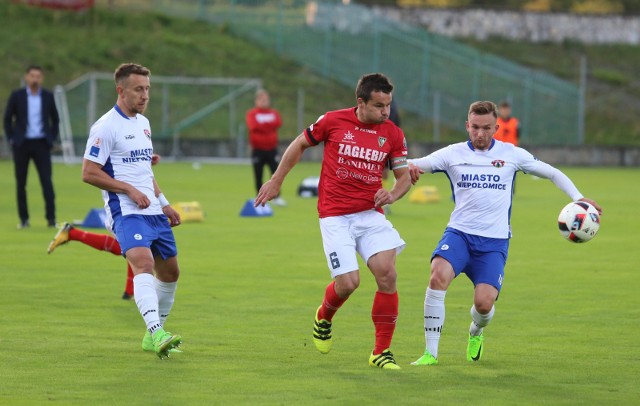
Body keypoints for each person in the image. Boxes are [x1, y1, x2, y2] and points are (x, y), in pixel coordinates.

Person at [407, 101, 602, 366]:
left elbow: (552, 173)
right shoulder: (451, 154)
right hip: (459, 235)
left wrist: (579, 198)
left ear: (496, 127)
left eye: (487, 128)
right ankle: (431, 353)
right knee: (437, 275)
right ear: (467, 126)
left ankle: (476, 331)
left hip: (494, 242)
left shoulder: (512, 154)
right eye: (475, 127)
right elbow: (414, 163)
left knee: (484, 305)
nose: (480, 134)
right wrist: (407, 166)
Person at [255, 73, 411, 369]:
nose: (386, 112)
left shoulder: (393, 133)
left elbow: (404, 178)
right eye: (379, 105)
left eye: (388, 105)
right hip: (335, 215)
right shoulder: (332, 121)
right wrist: (276, 180)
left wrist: (391, 194)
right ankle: (324, 316)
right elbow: (299, 144)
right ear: (361, 102)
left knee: (387, 274)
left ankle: (380, 352)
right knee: (349, 283)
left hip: (370, 214)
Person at [81, 63, 183, 358]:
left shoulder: (143, 123)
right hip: (125, 209)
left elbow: (142, 171)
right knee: (142, 261)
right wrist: (127, 189)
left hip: (151, 208)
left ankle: (154, 334)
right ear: (120, 90)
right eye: (139, 89)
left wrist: (163, 203)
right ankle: (157, 332)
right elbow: (89, 172)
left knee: (171, 272)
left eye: (147, 89)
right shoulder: (105, 127)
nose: (144, 95)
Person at [47, 154, 161, 301]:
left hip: (133, 205)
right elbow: (94, 170)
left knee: (136, 249)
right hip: (121, 207)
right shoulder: (105, 135)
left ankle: (130, 291)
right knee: (137, 249)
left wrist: (142, 157)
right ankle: (73, 233)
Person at [3, 65, 60, 229]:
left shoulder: (48, 96)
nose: (35, 79)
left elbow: (55, 119)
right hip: (22, 144)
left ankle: (51, 219)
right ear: (26, 77)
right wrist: (12, 139)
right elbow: (7, 119)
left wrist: (51, 138)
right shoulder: (17, 95)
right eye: (32, 76)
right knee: (21, 183)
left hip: (42, 143)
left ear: (41, 78)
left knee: (47, 181)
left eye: (38, 76)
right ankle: (24, 219)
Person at [246, 89, 286, 206]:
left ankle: (277, 197)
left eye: (266, 99)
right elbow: (253, 126)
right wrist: (268, 126)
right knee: (258, 175)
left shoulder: (274, 113)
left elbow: (278, 123)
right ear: (256, 100)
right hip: (257, 150)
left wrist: (262, 126)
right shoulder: (252, 113)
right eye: (262, 99)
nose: (264, 101)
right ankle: (260, 198)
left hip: (272, 149)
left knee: (276, 173)